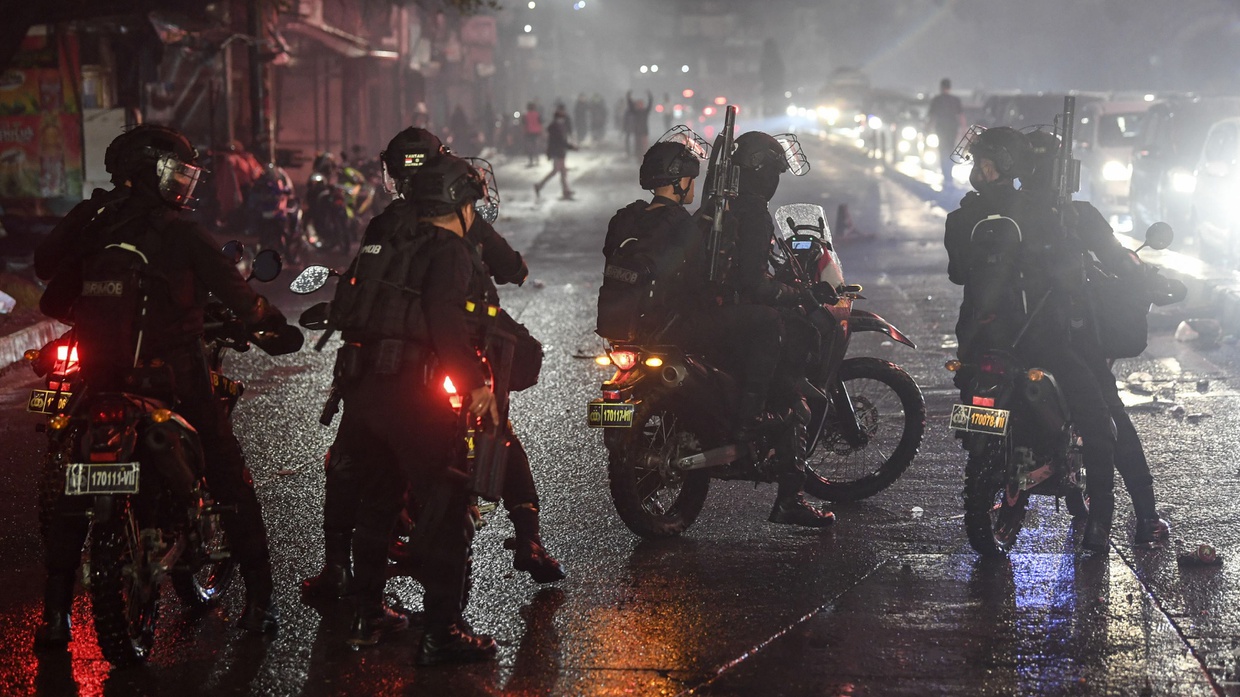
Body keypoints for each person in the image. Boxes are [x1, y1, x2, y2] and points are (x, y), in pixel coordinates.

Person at [31, 125, 292, 650]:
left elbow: (50, 291)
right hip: (172, 377)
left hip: (98, 379)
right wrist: (271, 326)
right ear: (150, 172)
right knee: (226, 471)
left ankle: (55, 620)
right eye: (176, 173)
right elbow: (239, 297)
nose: (183, 184)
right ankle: (260, 604)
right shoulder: (179, 232)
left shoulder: (94, 221)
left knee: (73, 497)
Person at [327, 149, 500, 664]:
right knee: (444, 507)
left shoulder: (388, 240)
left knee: (375, 504)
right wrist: (475, 383)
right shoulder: (448, 249)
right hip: (413, 395)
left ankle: (366, 613)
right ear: (459, 204)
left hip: (364, 392)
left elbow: (346, 304)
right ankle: (442, 630)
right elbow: (445, 318)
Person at [944, 126, 1121, 552]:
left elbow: (957, 272)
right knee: (1096, 418)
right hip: (1035, 340)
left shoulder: (962, 216)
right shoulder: (1040, 212)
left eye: (983, 163)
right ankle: (1101, 519)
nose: (977, 171)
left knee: (973, 401)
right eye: (977, 163)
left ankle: (1000, 462)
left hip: (978, 340)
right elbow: (1066, 274)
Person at [1022, 129, 1171, 548]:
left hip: (1001, 337)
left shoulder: (998, 212)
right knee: (1106, 416)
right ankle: (1128, 520)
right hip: (1063, 336)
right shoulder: (1074, 216)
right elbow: (1120, 260)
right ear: (1062, 170)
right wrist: (1146, 277)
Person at [718, 131, 836, 527]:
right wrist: (791, 293)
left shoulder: (721, 205)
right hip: (743, 316)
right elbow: (754, 282)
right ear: (762, 173)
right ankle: (790, 496)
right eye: (774, 171)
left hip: (714, 312)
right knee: (791, 391)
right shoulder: (751, 213)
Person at [926, 78, 964, 183]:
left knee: (942, 151)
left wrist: (928, 129)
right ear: (950, 87)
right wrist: (963, 129)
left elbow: (932, 117)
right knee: (950, 151)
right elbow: (960, 116)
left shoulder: (937, 100)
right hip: (953, 129)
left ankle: (946, 175)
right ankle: (949, 174)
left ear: (941, 87)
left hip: (941, 129)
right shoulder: (955, 100)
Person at [535, 106, 575, 200]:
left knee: (563, 171)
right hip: (557, 151)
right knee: (556, 171)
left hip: (560, 151)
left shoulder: (559, 126)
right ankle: (539, 185)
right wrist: (571, 146)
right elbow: (559, 141)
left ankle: (566, 190)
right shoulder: (554, 127)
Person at [627, 90, 655, 156]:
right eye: (638, 104)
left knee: (644, 145)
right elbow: (630, 105)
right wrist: (628, 97)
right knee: (637, 145)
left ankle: (644, 155)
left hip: (644, 131)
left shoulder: (645, 112)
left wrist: (650, 96)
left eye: (641, 104)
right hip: (637, 131)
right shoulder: (635, 112)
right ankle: (637, 155)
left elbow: (650, 105)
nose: (640, 105)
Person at [523, 102, 543, 167]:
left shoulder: (526, 115)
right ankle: (537, 157)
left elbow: (524, 124)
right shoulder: (537, 114)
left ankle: (531, 159)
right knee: (536, 145)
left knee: (530, 146)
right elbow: (540, 122)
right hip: (537, 132)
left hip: (528, 132)